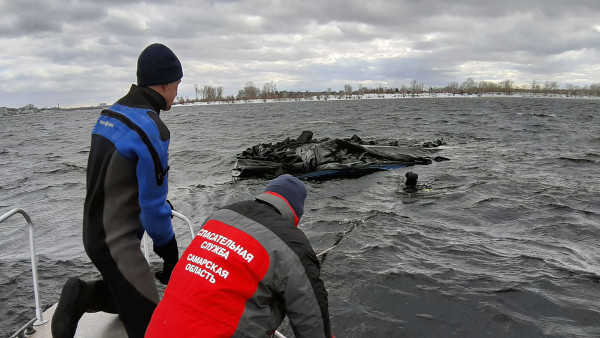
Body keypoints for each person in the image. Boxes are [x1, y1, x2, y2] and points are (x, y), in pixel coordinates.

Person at [51, 43, 183, 338]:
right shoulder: (151, 129)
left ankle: (83, 297)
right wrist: (170, 254)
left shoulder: (111, 113)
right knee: (152, 325)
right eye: (176, 84)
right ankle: (82, 295)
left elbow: (118, 177)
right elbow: (152, 208)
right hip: (117, 242)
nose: (177, 92)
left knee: (130, 293)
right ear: (164, 83)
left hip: (93, 230)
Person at [145, 174, 334, 338]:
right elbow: (313, 322)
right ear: (295, 214)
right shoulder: (293, 244)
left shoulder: (219, 215)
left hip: (157, 328)